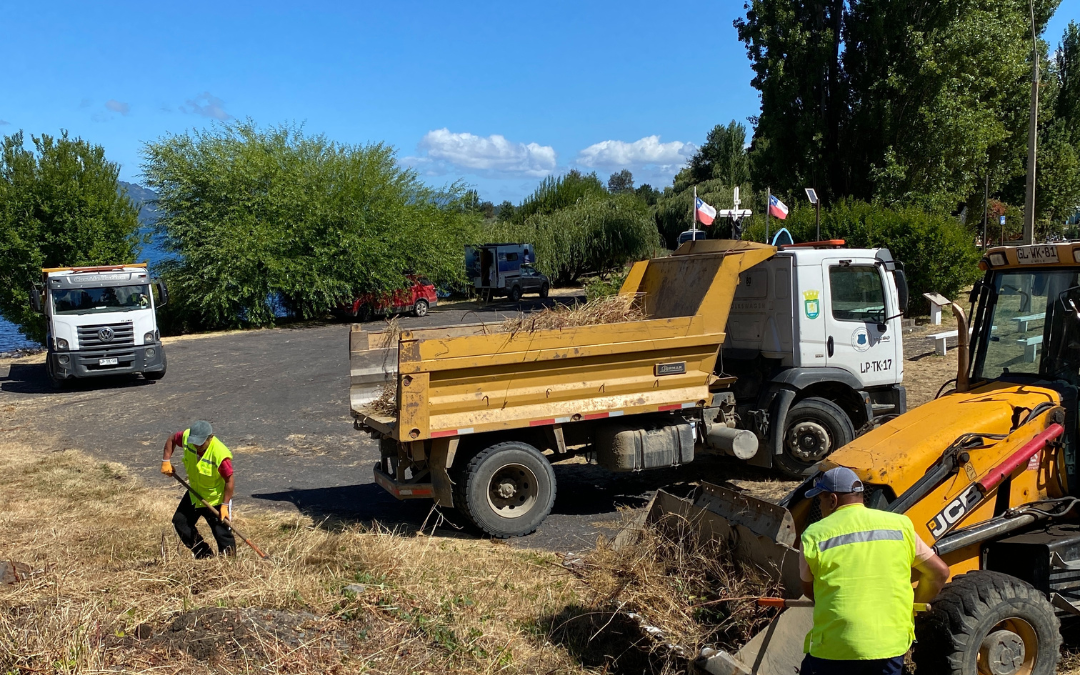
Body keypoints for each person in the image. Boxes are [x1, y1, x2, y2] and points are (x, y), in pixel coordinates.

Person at [798, 466, 950, 675]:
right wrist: (912, 607)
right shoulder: (900, 525)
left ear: (832, 500)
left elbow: (809, 590)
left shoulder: (814, 535)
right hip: (890, 645)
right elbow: (939, 572)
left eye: (821, 500)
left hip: (837, 646)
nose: (821, 506)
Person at [160, 420, 236, 558]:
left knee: (222, 535)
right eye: (194, 441)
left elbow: (229, 481)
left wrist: (224, 505)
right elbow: (172, 439)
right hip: (194, 493)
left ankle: (230, 565)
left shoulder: (220, 454)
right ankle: (204, 555)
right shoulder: (187, 437)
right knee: (180, 522)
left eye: (200, 443)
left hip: (215, 499)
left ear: (210, 438)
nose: (196, 445)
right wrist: (166, 460)